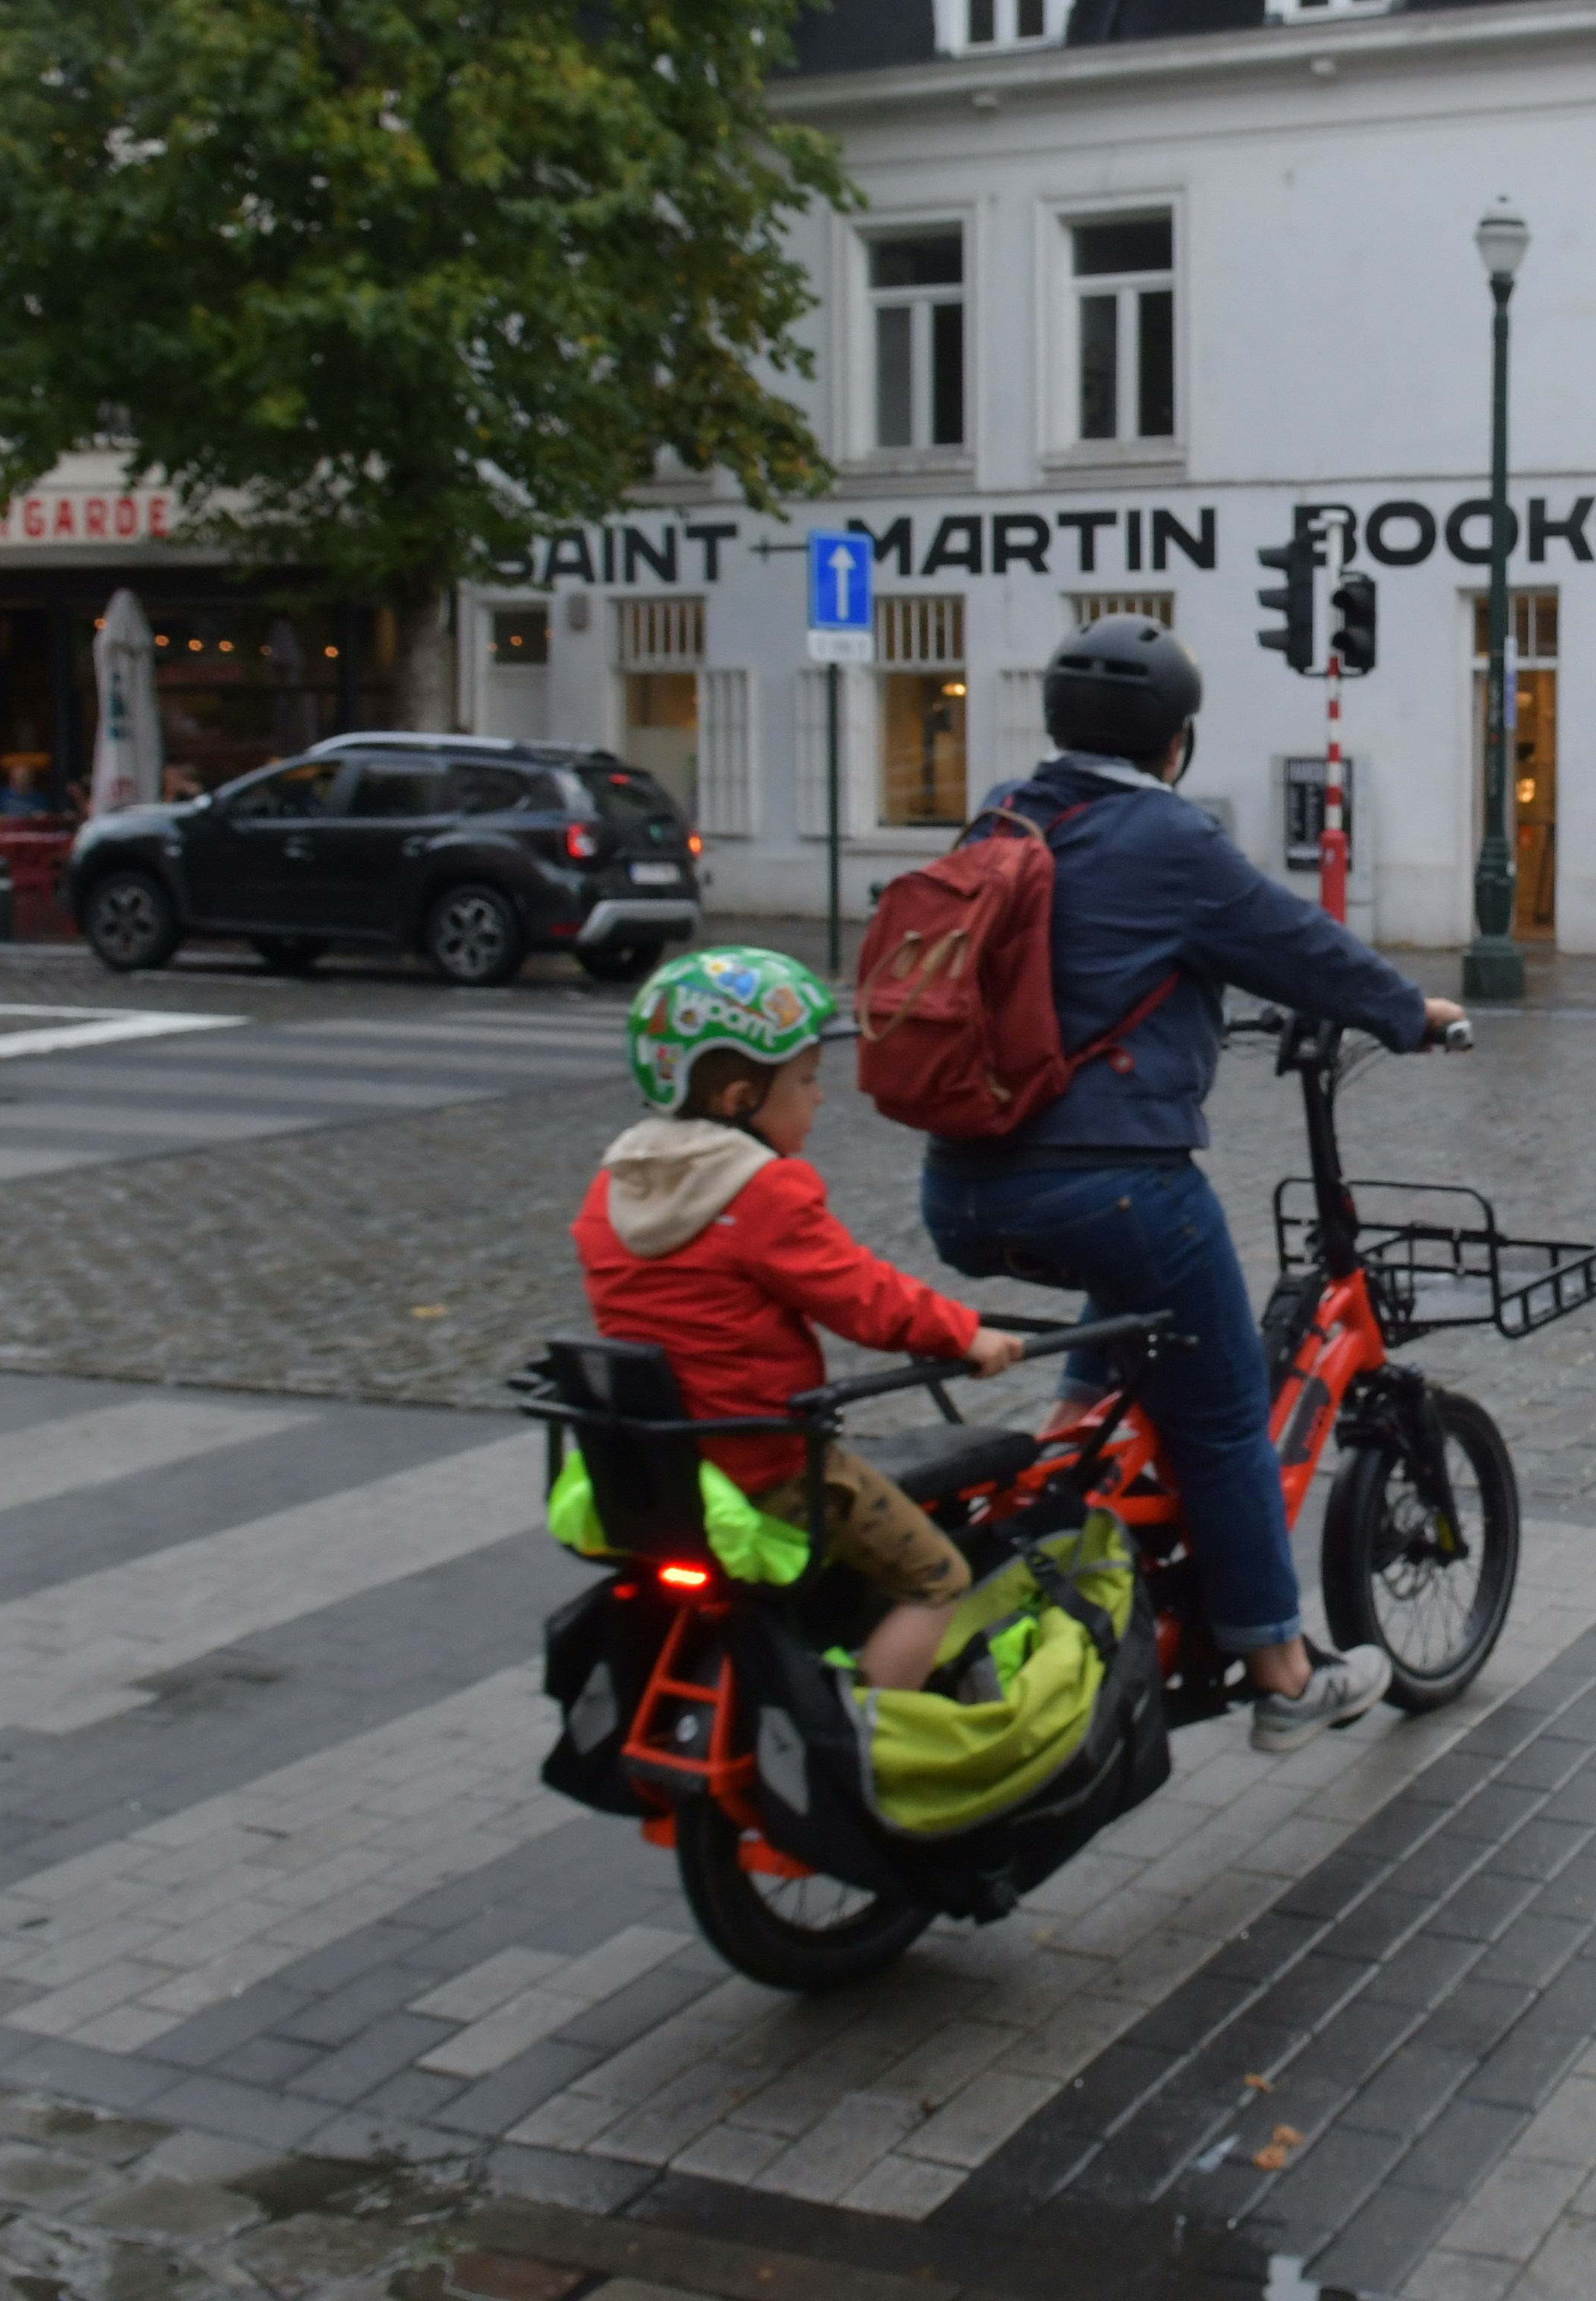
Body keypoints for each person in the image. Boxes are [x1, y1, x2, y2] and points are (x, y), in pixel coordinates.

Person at [916, 615, 1467, 1754]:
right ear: (1177, 740)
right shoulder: (1165, 837)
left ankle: (1066, 1471)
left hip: (961, 1188)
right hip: (1108, 1181)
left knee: (1133, 1291)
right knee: (1220, 1412)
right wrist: (1413, 1014)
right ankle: (1278, 1665)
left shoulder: (1005, 816)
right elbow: (1296, 944)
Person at [575, 946, 1021, 1694]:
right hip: (765, 1470)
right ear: (738, 1096)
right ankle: (865, 1741)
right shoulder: (761, 1190)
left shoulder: (612, 1190)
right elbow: (863, 1297)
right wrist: (965, 1334)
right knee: (937, 1577)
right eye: (806, 1081)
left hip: (659, 1472)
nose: (819, 1098)